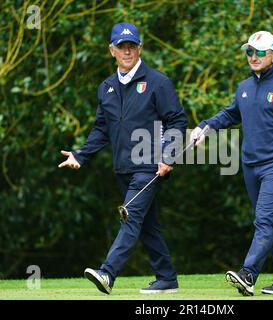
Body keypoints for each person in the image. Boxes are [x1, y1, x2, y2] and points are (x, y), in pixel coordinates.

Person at [58, 22, 188, 295]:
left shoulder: (158, 83)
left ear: (140, 48)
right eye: (121, 46)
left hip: (150, 166)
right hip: (123, 167)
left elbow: (177, 120)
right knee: (146, 224)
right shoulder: (106, 87)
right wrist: (81, 155)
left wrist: (169, 155)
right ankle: (166, 277)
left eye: (132, 46)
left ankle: (107, 272)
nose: (127, 51)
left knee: (129, 217)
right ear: (112, 50)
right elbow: (101, 129)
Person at [190, 31, 273, 296]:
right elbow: (230, 114)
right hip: (251, 165)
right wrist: (205, 126)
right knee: (272, 222)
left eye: (260, 52)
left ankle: (248, 273)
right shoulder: (244, 88)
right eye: (249, 51)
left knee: (263, 220)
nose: (253, 57)